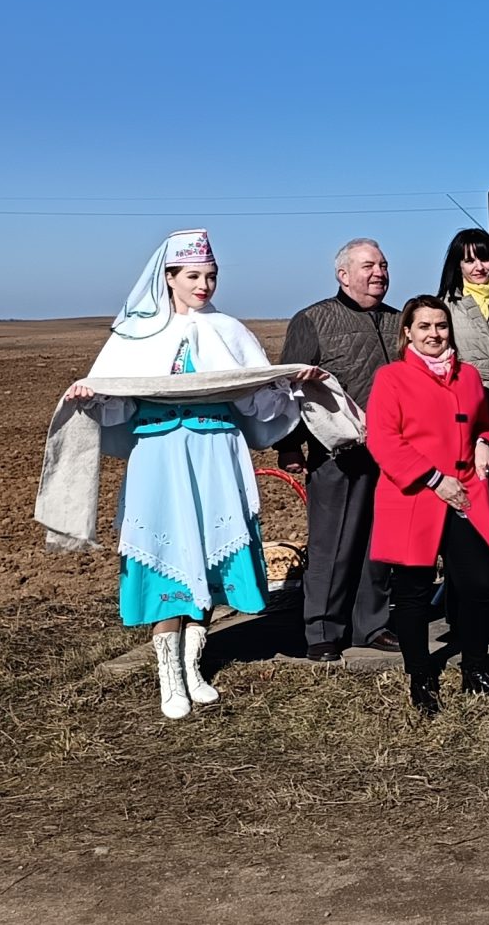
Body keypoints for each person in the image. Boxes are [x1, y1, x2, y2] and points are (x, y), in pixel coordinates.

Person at [67, 229, 312, 719]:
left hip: (216, 452)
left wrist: (287, 384)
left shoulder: (229, 330)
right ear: (169, 277)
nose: (204, 285)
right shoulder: (135, 335)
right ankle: (169, 677)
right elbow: (118, 402)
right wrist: (91, 395)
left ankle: (194, 667)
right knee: (166, 552)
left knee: (209, 553)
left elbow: (254, 399)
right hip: (160, 456)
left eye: (211, 276)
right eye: (194, 276)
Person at [364, 295, 489, 715]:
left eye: (441, 326)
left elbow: (485, 423)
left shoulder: (468, 376)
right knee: (413, 591)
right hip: (415, 495)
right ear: (408, 332)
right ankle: (421, 677)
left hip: (465, 494)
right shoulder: (391, 378)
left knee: (478, 583)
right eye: (425, 326)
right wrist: (433, 478)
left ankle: (475, 670)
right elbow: (383, 439)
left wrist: (485, 442)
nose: (434, 334)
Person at [278, 238, 402, 662]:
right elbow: (289, 388)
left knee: (379, 543)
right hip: (336, 451)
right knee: (332, 543)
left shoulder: (398, 320)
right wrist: (288, 446)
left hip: (390, 451)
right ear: (343, 274)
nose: (379, 273)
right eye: (369, 266)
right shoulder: (313, 319)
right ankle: (323, 630)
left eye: (383, 265)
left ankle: (372, 625)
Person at [439, 228, 489, 406]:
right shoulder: (444, 307)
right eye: (469, 261)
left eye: (484, 259)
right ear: (459, 265)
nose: (479, 267)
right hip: (464, 399)